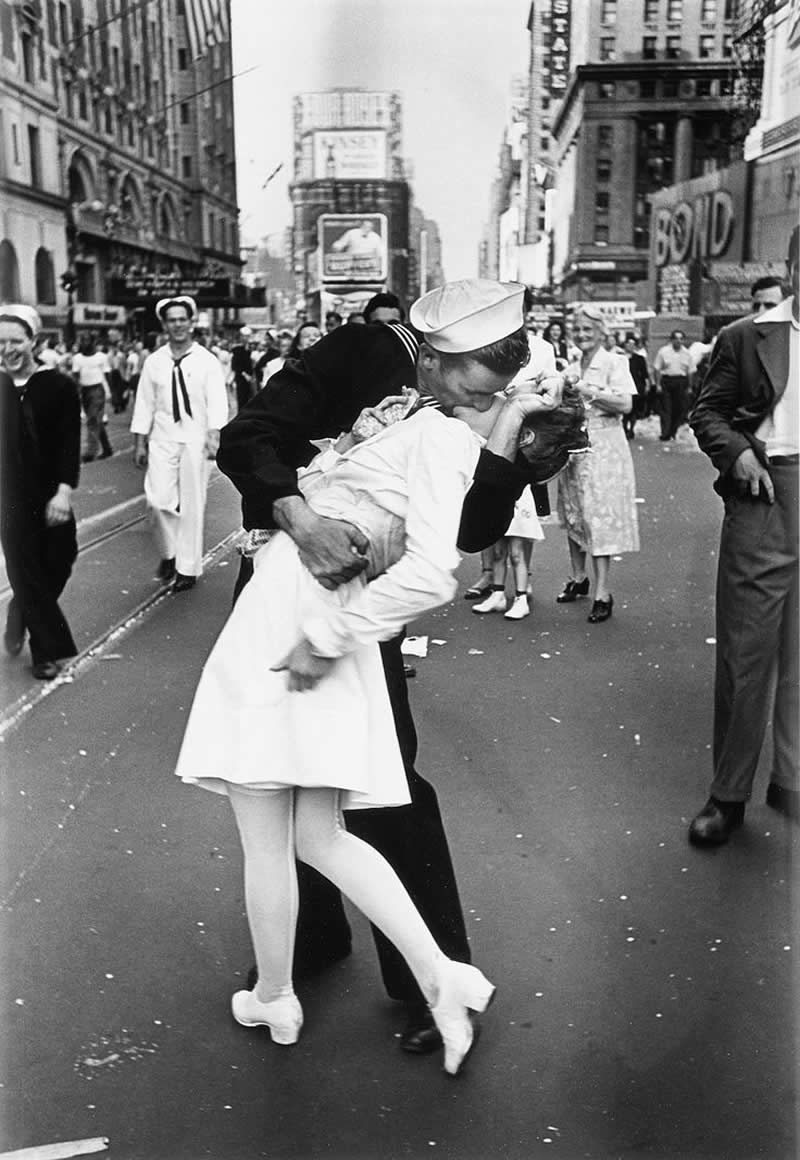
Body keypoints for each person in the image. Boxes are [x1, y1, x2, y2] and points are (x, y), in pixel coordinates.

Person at [177, 317, 586, 1072]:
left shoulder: (462, 423)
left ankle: (403, 978)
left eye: (500, 394)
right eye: (477, 387)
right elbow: (249, 437)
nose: (482, 400)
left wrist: (507, 454)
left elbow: (461, 541)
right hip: (308, 581)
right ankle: (336, 961)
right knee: (314, 819)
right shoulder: (367, 352)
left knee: (354, 794)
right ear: (432, 354)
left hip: (338, 607)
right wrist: (300, 518)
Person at [687, 226, 799, 845]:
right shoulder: (746, 337)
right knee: (746, 658)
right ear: (793, 267)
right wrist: (738, 455)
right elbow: (707, 411)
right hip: (766, 494)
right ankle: (727, 796)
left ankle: (792, 780)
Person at [0, 305, 81, 680]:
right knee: (25, 567)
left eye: (16, 340)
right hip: (7, 497)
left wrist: (64, 492)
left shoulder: (59, 386)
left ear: (34, 341)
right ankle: (46, 652)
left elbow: (68, 442)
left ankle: (20, 611)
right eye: (1, 342)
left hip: (49, 492)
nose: (8, 348)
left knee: (61, 559)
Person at [130, 296, 229, 592]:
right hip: (162, 438)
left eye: (182, 319)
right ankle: (169, 554)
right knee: (157, 501)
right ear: (164, 325)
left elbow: (217, 401)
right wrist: (139, 442)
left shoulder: (206, 360)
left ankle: (187, 567)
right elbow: (144, 403)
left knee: (192, 504)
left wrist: (214, 435)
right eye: (172, 320)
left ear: (191, 322)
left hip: (195, 439)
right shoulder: (154, 361)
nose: (178, 325)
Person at [555, 304, 640, 623]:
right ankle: (579, 578)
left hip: (605, 448)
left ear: (602, 332)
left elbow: (625, 403)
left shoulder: (615, 362)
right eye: (577, 329)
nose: (581, 335)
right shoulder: (572, 363)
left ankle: (603, 592)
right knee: (574, 513)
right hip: (574, 447)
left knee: (599, 517)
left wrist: (584, 390)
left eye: (587, 329)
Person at [71, 336, 113, 461]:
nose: (85, 343)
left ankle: (90, 452)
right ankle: (107, 448)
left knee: (93, 419)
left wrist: (109, 391)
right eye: (83, 341)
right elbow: (75, 375)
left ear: (94, 342)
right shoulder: (77, 358)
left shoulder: (101, 357)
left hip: (97, 390)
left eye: (87, 341)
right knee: (96, 420)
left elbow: (107, 374)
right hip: (85, 390)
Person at [653, 329, 693, 441]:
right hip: (667, 381)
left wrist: (690, 387)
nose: (679, 341)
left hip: (681, 382)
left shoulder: (687, 353)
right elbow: (657, 368)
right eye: (676, 339)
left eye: (681, 339)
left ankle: (673, 431)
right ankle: (665, 433)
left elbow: (690, 371)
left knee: (679, 408)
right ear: (671, 340)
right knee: (666, 408)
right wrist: (658, 385)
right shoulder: (663, 351)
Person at [622, 334, 650, 440]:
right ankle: (624, 427)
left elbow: (644, 373)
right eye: (629, 344)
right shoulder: (620, 358)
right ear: (625, 345)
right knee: (625, 410)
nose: (631, 346)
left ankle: (632, 428)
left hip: (637, 386)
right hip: (623, 387)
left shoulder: (639, 358)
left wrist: (647, 385)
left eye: (633, 344)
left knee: (634, 409)